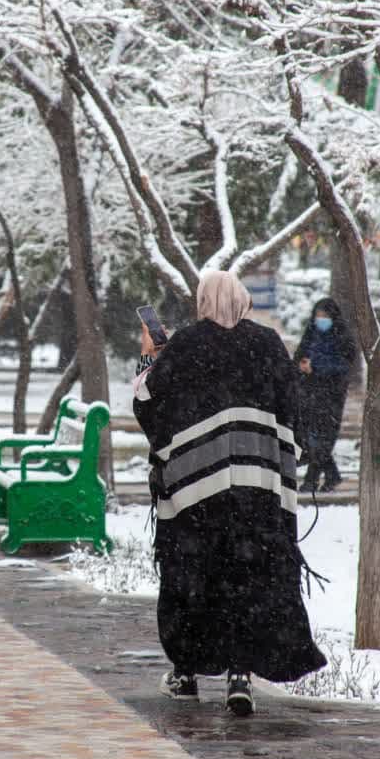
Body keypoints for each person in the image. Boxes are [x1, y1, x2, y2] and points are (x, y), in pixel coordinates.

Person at [132, 270, 327, 716]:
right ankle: (241, 675)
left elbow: (149, 405)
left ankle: (186, 673)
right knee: (249, 578)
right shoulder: (267, 343)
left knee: (193, 575)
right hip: (257, 492)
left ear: (203, 301)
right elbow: (293, 407)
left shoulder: (186, 344)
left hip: (196, 494)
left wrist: (149, 357)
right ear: (242, 300)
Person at [293, 297, 355, 493]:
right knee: (311, 438)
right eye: (318, 316)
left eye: (325, 316)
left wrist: (317, 367)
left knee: (322, 439)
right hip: (308, 395)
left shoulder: (342, 337)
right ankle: (331, 475)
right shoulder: (311, 334)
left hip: (331, 396)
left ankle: (311, 480)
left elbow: (343, 365)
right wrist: (301, 367)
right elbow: (299, 356)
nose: (321, 320)